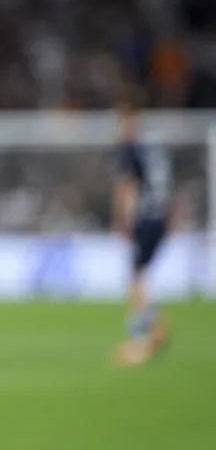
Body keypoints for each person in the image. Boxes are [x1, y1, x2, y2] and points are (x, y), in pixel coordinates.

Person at [110, 99, 174, 367]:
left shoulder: (131, 148)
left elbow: (126, 187)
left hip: (145, 218)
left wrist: (121, 221)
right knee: (139, 276)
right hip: (160, 218)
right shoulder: (154, 148)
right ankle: (152, 327)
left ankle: (143, 337)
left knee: (135, 279)